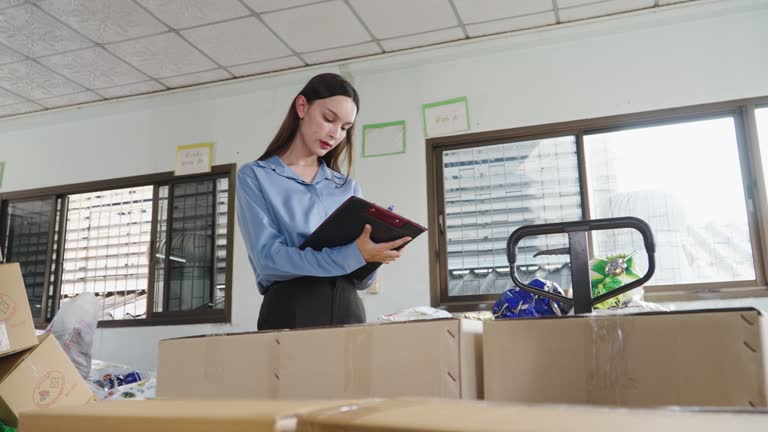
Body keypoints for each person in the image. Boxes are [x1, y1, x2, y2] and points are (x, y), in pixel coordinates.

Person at [237, 73, 411, 331]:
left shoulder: (347, 187)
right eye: (329, 119)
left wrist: (376, 254)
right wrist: (352, 254)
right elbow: (269, 261)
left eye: (345, 128)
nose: (335, 134)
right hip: (290, 310)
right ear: (302, 107)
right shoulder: (256, 176)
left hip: (348, 310)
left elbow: (361, 281)